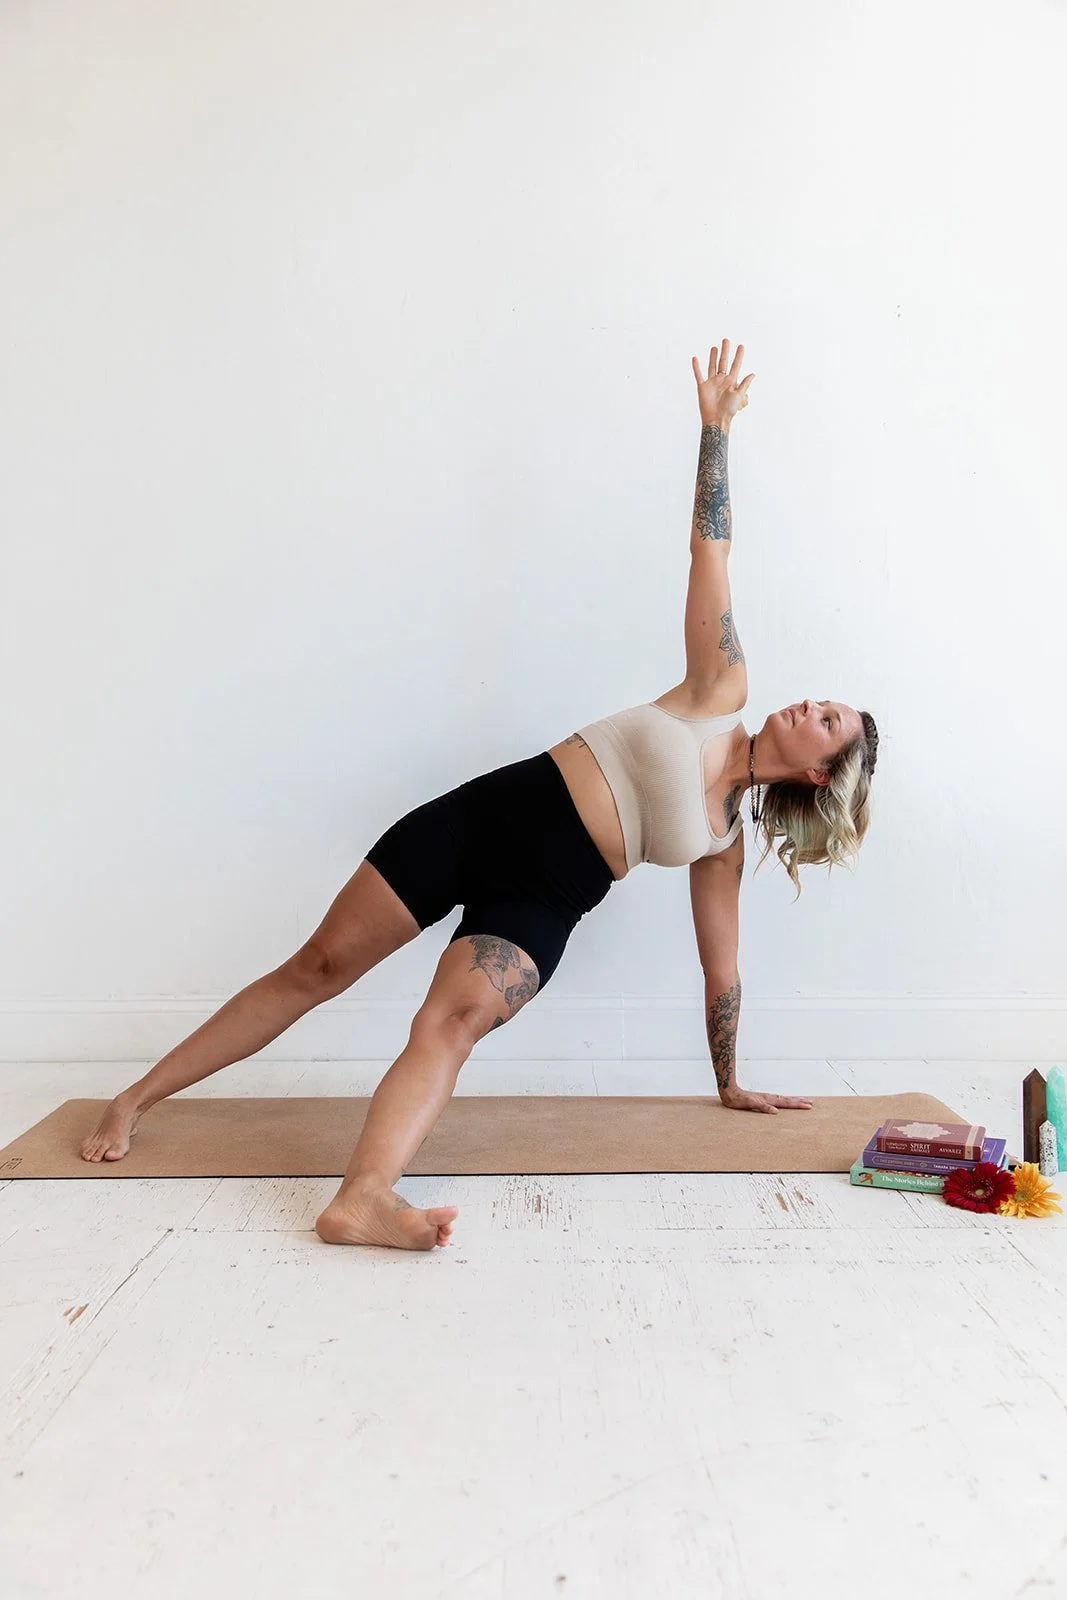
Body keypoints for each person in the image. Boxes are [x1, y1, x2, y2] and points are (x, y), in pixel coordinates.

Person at [80, 338, 879, 1253]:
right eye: (819, 700)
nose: (808, 705)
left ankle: (362, 1198)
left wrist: (729, 1082)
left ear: (820, 774)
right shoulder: (719, 688)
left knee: (450, 1024)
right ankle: (134, 1097)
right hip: (489, 818)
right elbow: (711, 549)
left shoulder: (721, 842)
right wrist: (714, 431)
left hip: (546, 898)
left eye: (826, 721)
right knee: (317, 969)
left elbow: (721, 971)